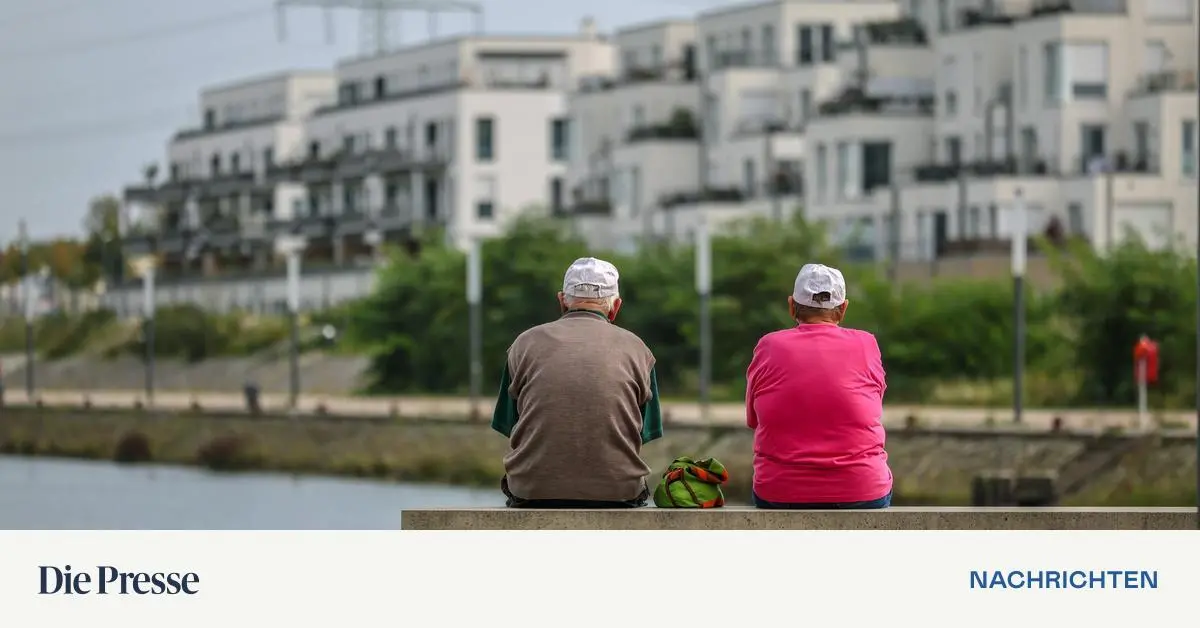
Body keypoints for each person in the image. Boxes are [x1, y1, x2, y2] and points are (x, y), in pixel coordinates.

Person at [491, 257, 664, 508]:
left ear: (562, 301)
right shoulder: (639, 349)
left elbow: (510, 425)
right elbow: (642, 433)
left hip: (532, 491)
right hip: (618, 492)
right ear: (615, 307)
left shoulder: (523, 344)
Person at [745, 263, 893, 509]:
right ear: (843, 308)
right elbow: (870, 410)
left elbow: (753, 419)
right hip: (862, 489)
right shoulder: (866, 345)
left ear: (791, 305)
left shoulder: (769, 346)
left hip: (780, 491)